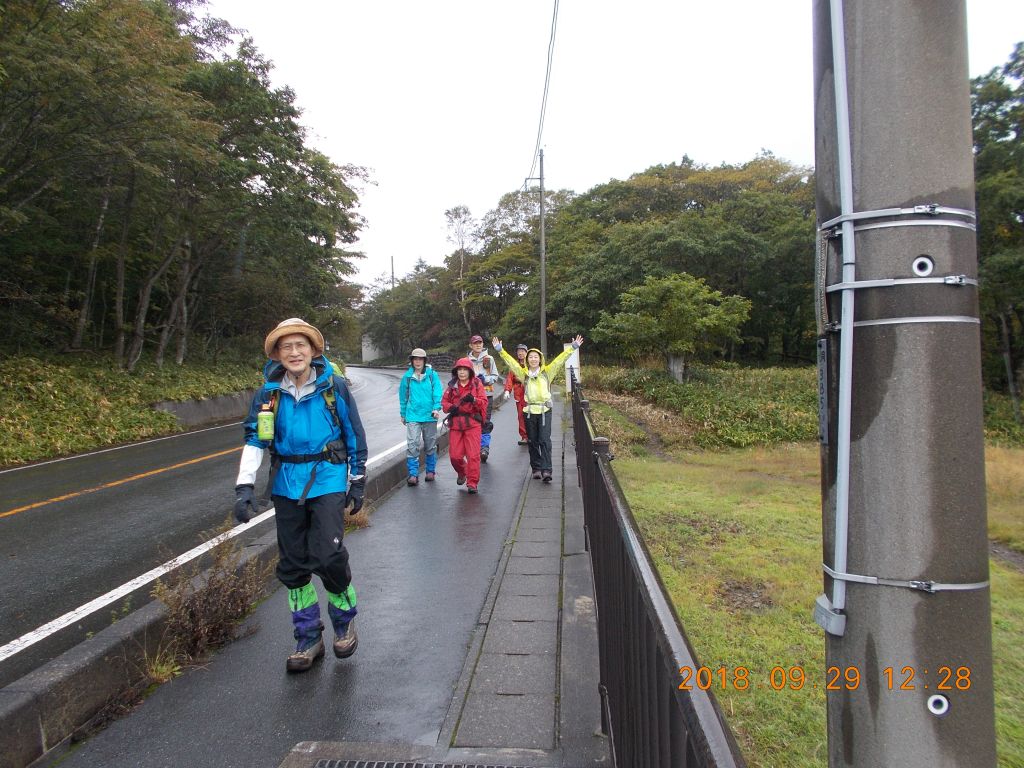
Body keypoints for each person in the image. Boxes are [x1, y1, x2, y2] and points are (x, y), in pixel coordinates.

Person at [233, 318, 367, 673]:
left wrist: (358, 480)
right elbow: (254, 439)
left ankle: (343, 620)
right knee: (292, 565)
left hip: (328, 477)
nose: (294, 352)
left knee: (328, 554)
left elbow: (354, 433)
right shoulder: (268, 394)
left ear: (313, 351)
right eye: (286, 347)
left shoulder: (332, 387)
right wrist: (245, 486)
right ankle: (307, 637)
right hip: (287, 481)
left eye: (300, 345)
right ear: (277, 354)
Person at [493, 334, 584, 483]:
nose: (533, 359)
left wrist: (573, 348)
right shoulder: (524, 375)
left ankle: (547, 470)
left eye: (536, 357)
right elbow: (512, 364)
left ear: (540, 359)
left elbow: (559, 360)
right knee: (533, 441)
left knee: (544, 440)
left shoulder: (547, 372)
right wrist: (500, 350)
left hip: (544, 411)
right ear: (527, 360)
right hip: (529, 412)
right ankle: (536, 468)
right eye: (531, 357)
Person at [441, 357, 488, 493]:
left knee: (473, 455)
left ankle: (472, 483)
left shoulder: (477, 384)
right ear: (456, 372)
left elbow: (484, 402)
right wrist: (450, 408)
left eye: (464, 370)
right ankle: (463, 473)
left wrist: (473, 399)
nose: (462, 372)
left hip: (473, 424)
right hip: (456, 425)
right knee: (455, 456)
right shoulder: (452, 386)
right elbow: (444, 403)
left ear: (470, 371)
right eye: (459, 370)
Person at [399, 347, 443, 485]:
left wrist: (436, 407)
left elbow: (437, 392)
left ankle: (430, 471)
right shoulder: (407, 377)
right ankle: (413, 474)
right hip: (413, 415)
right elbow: (403, 397)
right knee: (412, 444)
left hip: (430, 415)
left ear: (424, 361)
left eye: (420, 359)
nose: (417, 362)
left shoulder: (432, 375)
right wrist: (403, 413)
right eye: (415, 359)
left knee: (430, 445)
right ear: (411, 361)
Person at [466, 334, 498, 462]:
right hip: (471, 397)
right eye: (475, 343)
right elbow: (462, 378)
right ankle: (475, 448)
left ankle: (484, 448)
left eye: (480, 342)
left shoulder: (489, 359)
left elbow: (495, 376)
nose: (478, 345)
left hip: (486, 395)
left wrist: (485, 380)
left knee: (485, 421)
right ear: (471, 345)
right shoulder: (466, 361)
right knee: (473, 422)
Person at [502, 343, 530, 445]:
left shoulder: (532, 363)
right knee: (521, 416)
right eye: (519, 351)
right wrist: (507, 391)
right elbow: (510, 379)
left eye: (523, 351)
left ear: (526, 352)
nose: (521, 353)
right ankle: (524, 436)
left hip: (531, 392)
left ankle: (533, 436)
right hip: (519, 393)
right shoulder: (514, 365)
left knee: (532, 415)